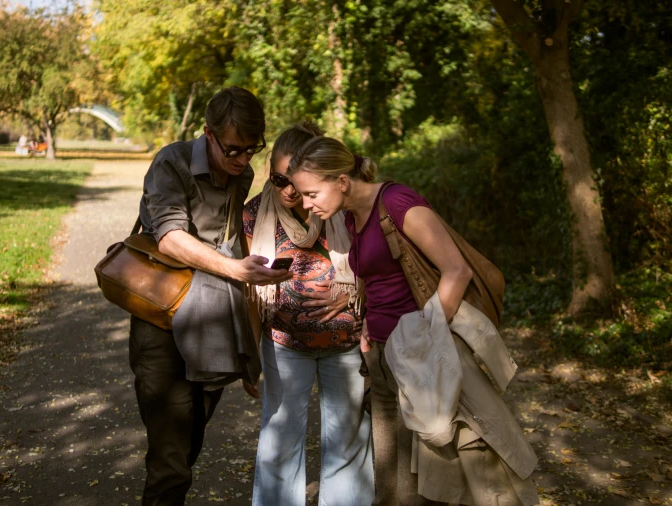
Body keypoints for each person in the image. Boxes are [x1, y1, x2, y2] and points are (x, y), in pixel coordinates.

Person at [287, 137, 539, 506]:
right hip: (382, 357)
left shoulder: (397, 202)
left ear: (341, 182)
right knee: (393, 480)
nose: (306, 204)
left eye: (311, 193)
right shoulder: (347, 216)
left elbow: (457, 271)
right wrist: (370, 321)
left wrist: (426, 338)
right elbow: (380, 278)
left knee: (452, 470)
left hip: (419, 354)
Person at [130, 86, 291, 506]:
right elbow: (169, 238)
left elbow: (234, 242)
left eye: (251, 151)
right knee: (170, 462)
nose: (242, 161)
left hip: (213, 325)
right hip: (161, 323)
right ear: (208, 133)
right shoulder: (172, 162)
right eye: (233, 150)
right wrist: (236, 269)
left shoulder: (243, 174)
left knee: (190, 446)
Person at [242, 122, 374, 506]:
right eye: (278, 179)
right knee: (279, 443)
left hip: (345, 344)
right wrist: (250, 355)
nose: (286, 190)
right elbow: (250, 289)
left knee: (348, 442)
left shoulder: (339, 205)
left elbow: (375, 263)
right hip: (284, 344)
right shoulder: (254, 214)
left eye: (294, 181)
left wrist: (351, 294)